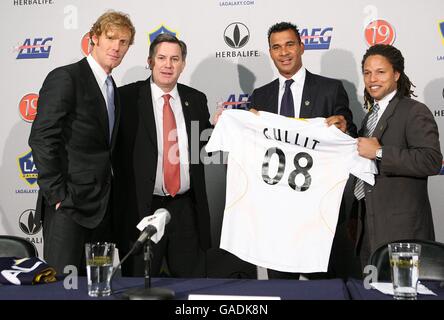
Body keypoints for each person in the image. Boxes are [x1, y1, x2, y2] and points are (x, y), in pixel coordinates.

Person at [247, 21, 358, 279]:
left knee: (326, 287)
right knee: (280, 286)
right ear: (270, 52)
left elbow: (349, 134)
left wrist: (343, 128)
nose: (283, 52)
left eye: (289, 45)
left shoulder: (330, 89)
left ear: (302, 46)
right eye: (276, 47)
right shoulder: (260, 96)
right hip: (276, 210)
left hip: (320, 208)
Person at [28, 10, 135, 275]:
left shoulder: (112, 89)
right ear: (94, 38)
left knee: (98, 283)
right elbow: (42, 137)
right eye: (111, 38)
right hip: (69, 209)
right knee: (63, 285)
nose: (116, 47)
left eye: (123, 42)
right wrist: (58, 196)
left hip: (103, 209)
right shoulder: (66, 77)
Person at [114, 33, 212, 277]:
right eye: (162, 58)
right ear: (150, 61)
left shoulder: (196, 100)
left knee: (192, 285)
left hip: (186, 210)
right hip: (142, 209)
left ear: (183, 64)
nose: (168, 65)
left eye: (175, 59)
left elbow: (203, 149)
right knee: (138, 283)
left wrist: (222, 128)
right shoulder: (126, 98)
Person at [353, 44, 442, 269]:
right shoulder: (371, 116)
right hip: (369, 231)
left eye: (380, 72)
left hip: (403, 233)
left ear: (396, 74)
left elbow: (431, 160)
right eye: (367, 72)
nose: (373, 78)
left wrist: (380, 152)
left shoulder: (414, 110)